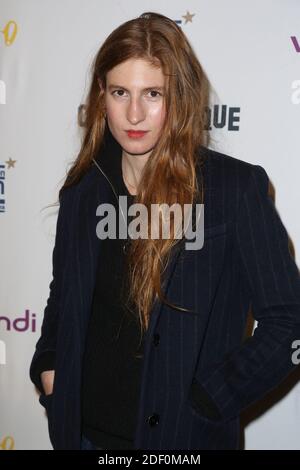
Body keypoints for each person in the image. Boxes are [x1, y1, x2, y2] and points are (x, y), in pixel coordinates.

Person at [30, 12, 300, 450]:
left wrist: (211, 400)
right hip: (82, 437)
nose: (134, 113)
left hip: (182, 441)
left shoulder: (232, 190)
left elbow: (289, 320)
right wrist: (50, 371)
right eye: (121, 92)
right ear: (102, 96)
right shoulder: (84, 190)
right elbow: (65, 297)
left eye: (152, 94)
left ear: (180, 97)